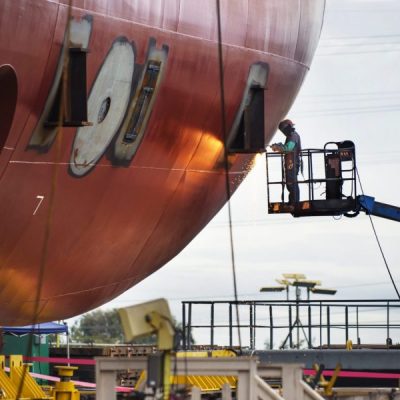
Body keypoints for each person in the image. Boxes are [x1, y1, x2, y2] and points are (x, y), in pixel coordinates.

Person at [271, 119, 302, 204]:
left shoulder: (293, 136)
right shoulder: (291, 136)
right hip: (290, 163)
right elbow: (286, 147)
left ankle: (294, 202)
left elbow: (288, 148)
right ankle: (293, 201)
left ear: (288, 127)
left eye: (283, 129)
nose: (283, 132)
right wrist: (278, 145)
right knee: (290, 182)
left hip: (292, 163)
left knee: (291, 182)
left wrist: (278, 147)